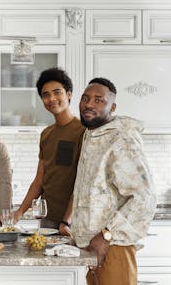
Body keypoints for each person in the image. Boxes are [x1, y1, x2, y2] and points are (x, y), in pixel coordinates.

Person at [71, 77, 156, 285]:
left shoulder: (121, 140)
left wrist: (106, 235)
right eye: (85, 98)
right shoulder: (92, 134)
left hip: (113, 247)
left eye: (98, 100)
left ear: (113, 107)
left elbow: (145, 198)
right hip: (91, 248)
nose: (89, 104)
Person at [13, 68, 85, 236]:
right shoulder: (46, 134)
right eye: (45, 95)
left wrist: (66, 220)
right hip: (47, 220)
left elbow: (82, 183)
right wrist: (19, 213)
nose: (51, 99)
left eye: (57, 92)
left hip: (73, 221)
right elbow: (39, 181)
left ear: (69, 94)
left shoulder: (83, 131)